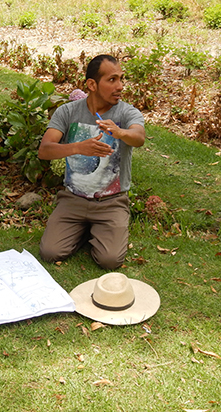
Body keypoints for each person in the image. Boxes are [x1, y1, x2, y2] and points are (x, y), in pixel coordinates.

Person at [38, 55, 145, 269]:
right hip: (73, 199)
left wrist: (120, 132)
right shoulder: (68, 111)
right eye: (112, 80)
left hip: (111, 202)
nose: (120, 86)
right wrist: (78, 147)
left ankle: (96, 229)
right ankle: (84, 229)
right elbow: (44, 150)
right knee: (50, 252)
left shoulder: (127, 112)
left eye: (121, 79)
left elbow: (139, 137)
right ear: (92, 84)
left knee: (109, 260)